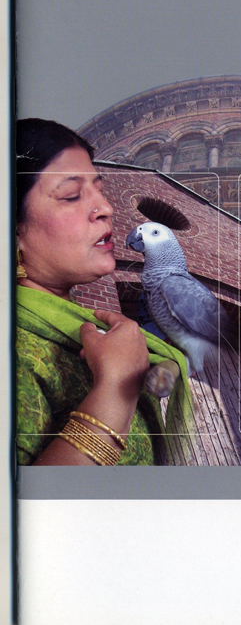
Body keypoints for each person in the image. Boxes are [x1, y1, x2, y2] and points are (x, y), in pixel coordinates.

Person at [15, 118, 189, 465]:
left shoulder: (92, 333)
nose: (106, 209)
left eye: (99, 189)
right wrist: (115, 389)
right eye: (71, 195)